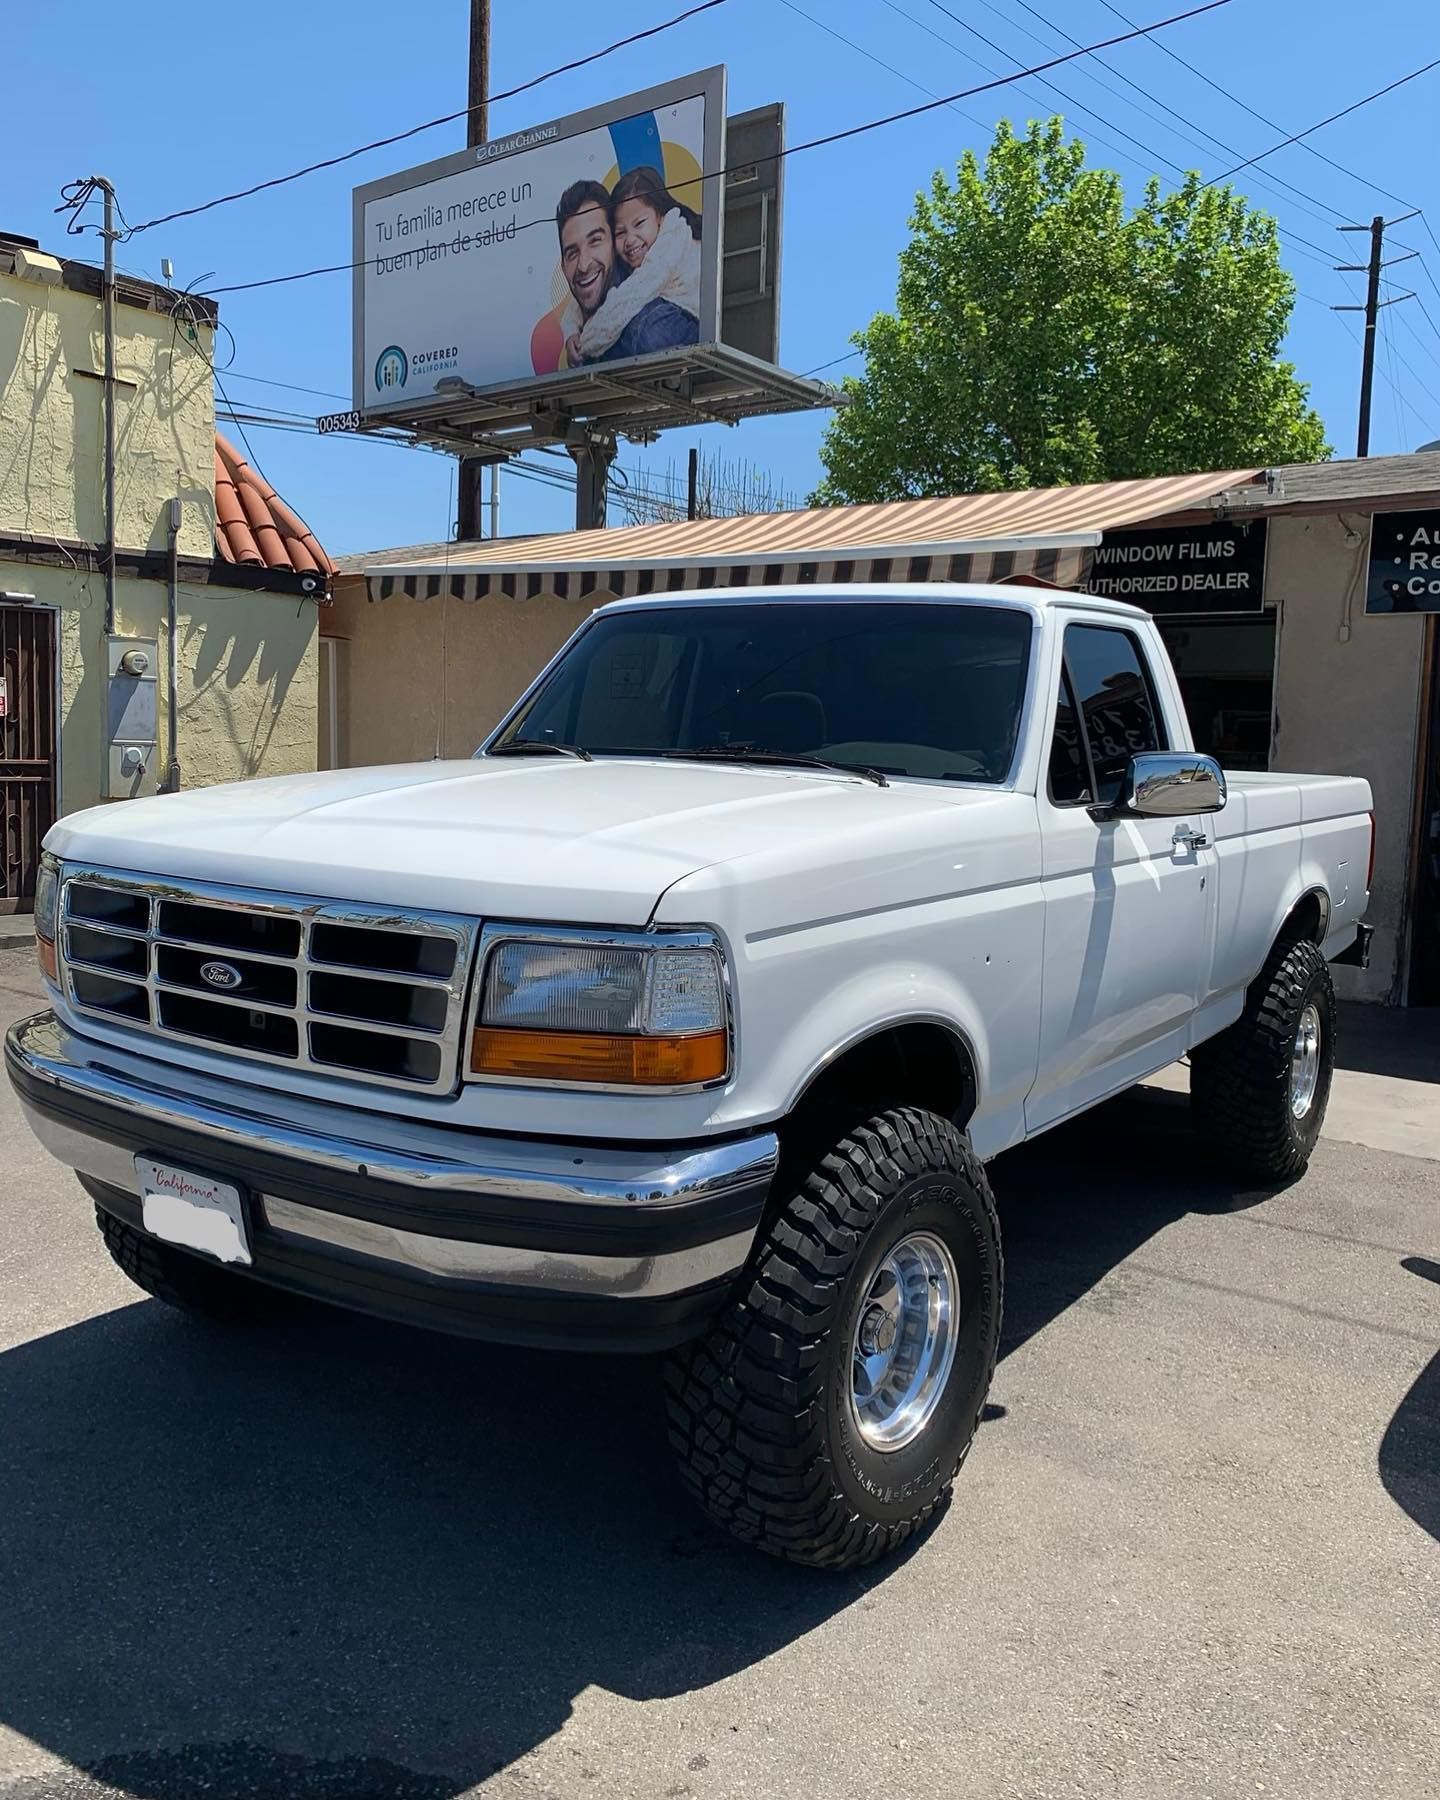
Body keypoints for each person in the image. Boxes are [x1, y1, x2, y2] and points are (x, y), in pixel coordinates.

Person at [564, 167, 702, 366]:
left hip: (687, 321)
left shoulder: (672, 239)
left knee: (640, 328)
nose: (629, 240)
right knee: (606, 279)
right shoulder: (633, 254)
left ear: (661, 218)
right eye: (620, 233)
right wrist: (571, 332)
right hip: (653, 304)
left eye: (639, 224)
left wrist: (584, 346)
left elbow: (633, 296)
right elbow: (577, 304)